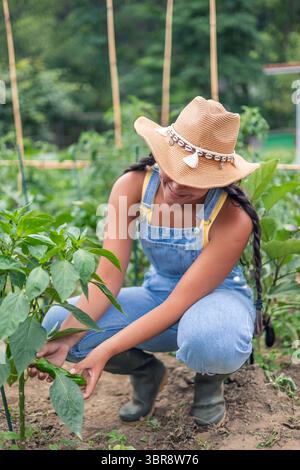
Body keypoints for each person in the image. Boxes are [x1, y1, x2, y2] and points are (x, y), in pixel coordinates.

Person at [31, 96, 263, 427]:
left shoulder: (232, 216)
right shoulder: (131, 188)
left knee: (212, 340)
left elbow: (182, 301)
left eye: (194, 181)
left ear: (219, 179)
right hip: (159, 293)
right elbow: (108, 276)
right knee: (59, 323)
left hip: (217, 298)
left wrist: (106, 349)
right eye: (172, 168)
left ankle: (209, 382)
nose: (178, 185)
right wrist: (68, 337)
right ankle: (146, 372)